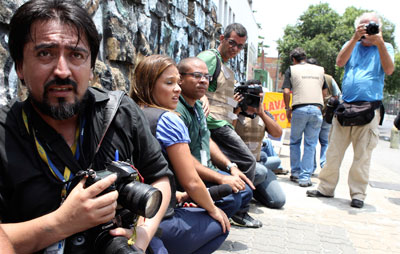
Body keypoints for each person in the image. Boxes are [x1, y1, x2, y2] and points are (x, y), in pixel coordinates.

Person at [0, 1, 172, 253]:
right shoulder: (6, 132)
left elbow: (160, 177)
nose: (62, 70)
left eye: (76, 55)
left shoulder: (121, 113)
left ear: (91, 68)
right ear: (19, 67)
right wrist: (61, 223)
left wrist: (142, 234)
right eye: (45, 53)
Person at [131, 54, 230, 253]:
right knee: (221, 224)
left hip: (132, 209)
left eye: (178, 82)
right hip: (158, 218)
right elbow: (192, 182)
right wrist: (214, 210)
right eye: (169, 83)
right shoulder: (169, 120)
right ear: (148, 85)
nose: (177, 88)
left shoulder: (131, 112)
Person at [307, 12, 394, 208]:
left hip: (369, 108)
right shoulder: (351, 44)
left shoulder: (385, 46)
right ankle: (325, 188)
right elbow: (340, 62)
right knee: (333, 151)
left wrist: (379, 42)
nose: (367, 31)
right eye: (363, 27)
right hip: (346, 106)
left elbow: (389, 69)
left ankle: (358, 194)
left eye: (371, 27)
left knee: (362, 156)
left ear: (379, 29)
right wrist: (355, 38)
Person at [176, 57, 261, 228]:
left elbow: (206, 138)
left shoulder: (199, 106)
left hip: (207, 169)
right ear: (180, 79)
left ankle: (207, 213)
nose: (203, 81)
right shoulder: (178, 110)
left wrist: (231, 167)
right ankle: (192, 220)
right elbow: (184, 158)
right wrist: (222, 178)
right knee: (233, 196)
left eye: (207, 77)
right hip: (190, 176)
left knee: (245, 191)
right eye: (197, 75)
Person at [197, 23, 261, 227]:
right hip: (212, 124)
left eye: (240, 46)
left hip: (221, 123)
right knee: (248, 161)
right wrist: (201, 97)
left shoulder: (225, 67)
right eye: (232, 43)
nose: (235, 49)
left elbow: (222, 99)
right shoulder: (210, 57)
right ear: (222, 38)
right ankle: (240, 212)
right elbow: (190, 72)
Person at [234, 81, 286, 209]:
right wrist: (235, 110)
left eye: (260, 98)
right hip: (238, 165)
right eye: (252, 97)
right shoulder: (234, 112)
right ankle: (247, 188)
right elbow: (226, 131)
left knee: (278, 201)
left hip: (257, 162)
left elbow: (277, 133)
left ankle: (253, 187)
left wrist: (261, 113)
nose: (256, 101)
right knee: (261, 170)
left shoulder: (263, 114)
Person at [282, 47, 327, 187]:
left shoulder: (292, 69)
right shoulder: (320, 70)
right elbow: (324, 91)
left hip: (299, 108)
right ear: (305, 58)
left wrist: (287, 108)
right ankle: (305, 178)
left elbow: (286, 91)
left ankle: (295, 173)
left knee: (295, 141)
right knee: (311, 144)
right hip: (316, 109)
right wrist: (320, 106)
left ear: (294, 60)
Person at [306, 58, 342, 172]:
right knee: (325, 142)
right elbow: (338, 95)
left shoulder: (306, 78)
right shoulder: (329, 78)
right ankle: (324, 165)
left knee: (311, 142)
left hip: (312, 114)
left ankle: (311, 167)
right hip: (328, 114)